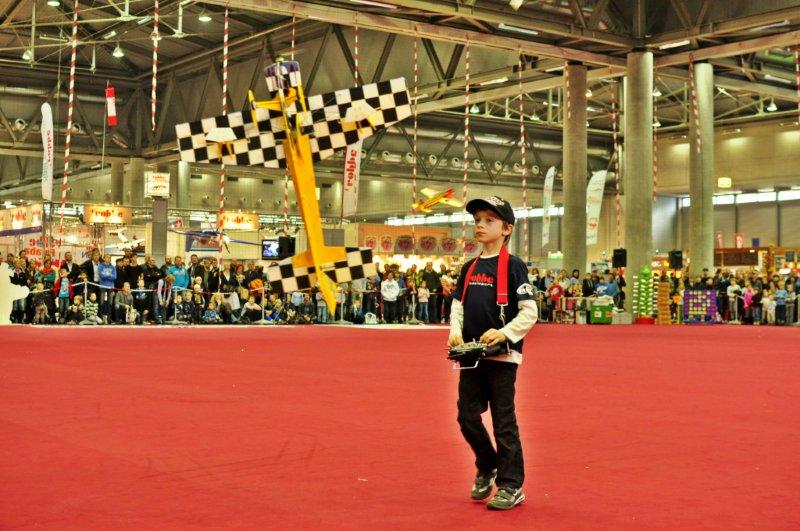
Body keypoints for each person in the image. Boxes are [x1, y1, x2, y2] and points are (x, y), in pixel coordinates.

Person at [448, 196, 538, 511]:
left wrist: (504, 333)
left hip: (502, 357)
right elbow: (458, 305)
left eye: (489, 220)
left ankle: (512, 485)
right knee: (466, 416)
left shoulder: (513, 266)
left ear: (506, 229)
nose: (480, 225)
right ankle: (487, 464)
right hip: (471, 357)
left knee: (503, 421)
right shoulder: (469, 267)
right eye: (477, 220)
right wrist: (454, 332)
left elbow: (529, 312)